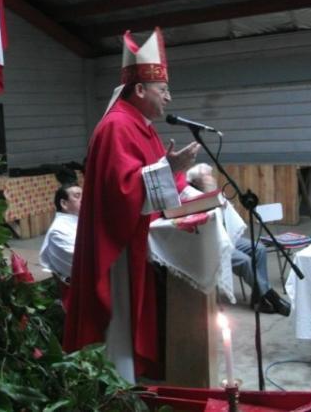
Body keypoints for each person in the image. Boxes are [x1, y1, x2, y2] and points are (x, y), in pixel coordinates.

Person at [63, 27, 200, 382]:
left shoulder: (142, 125)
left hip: (136, 238)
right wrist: (169, 169)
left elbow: (154, 176)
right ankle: (116, 384)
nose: (169, 97)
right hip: (118, 247)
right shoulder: (117, 126)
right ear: (139, 89)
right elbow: (121, 193)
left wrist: (186, 186)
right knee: (119, 317)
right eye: (163, 89)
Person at [186, 163, 291, 316]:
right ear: (196, 181)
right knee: (245, 261)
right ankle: (270, 296)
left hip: (227, 236)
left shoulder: (214, 194)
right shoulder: (192, 197)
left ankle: (258, 299)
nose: (211, 179)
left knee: (259, 249)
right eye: (207, 176)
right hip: (213, 244)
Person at [39, 183, 82, 284]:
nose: (84, 199)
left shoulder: (81, 221)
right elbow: (80, 262)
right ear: (64, 204)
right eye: (77, 196)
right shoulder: (58, 231)